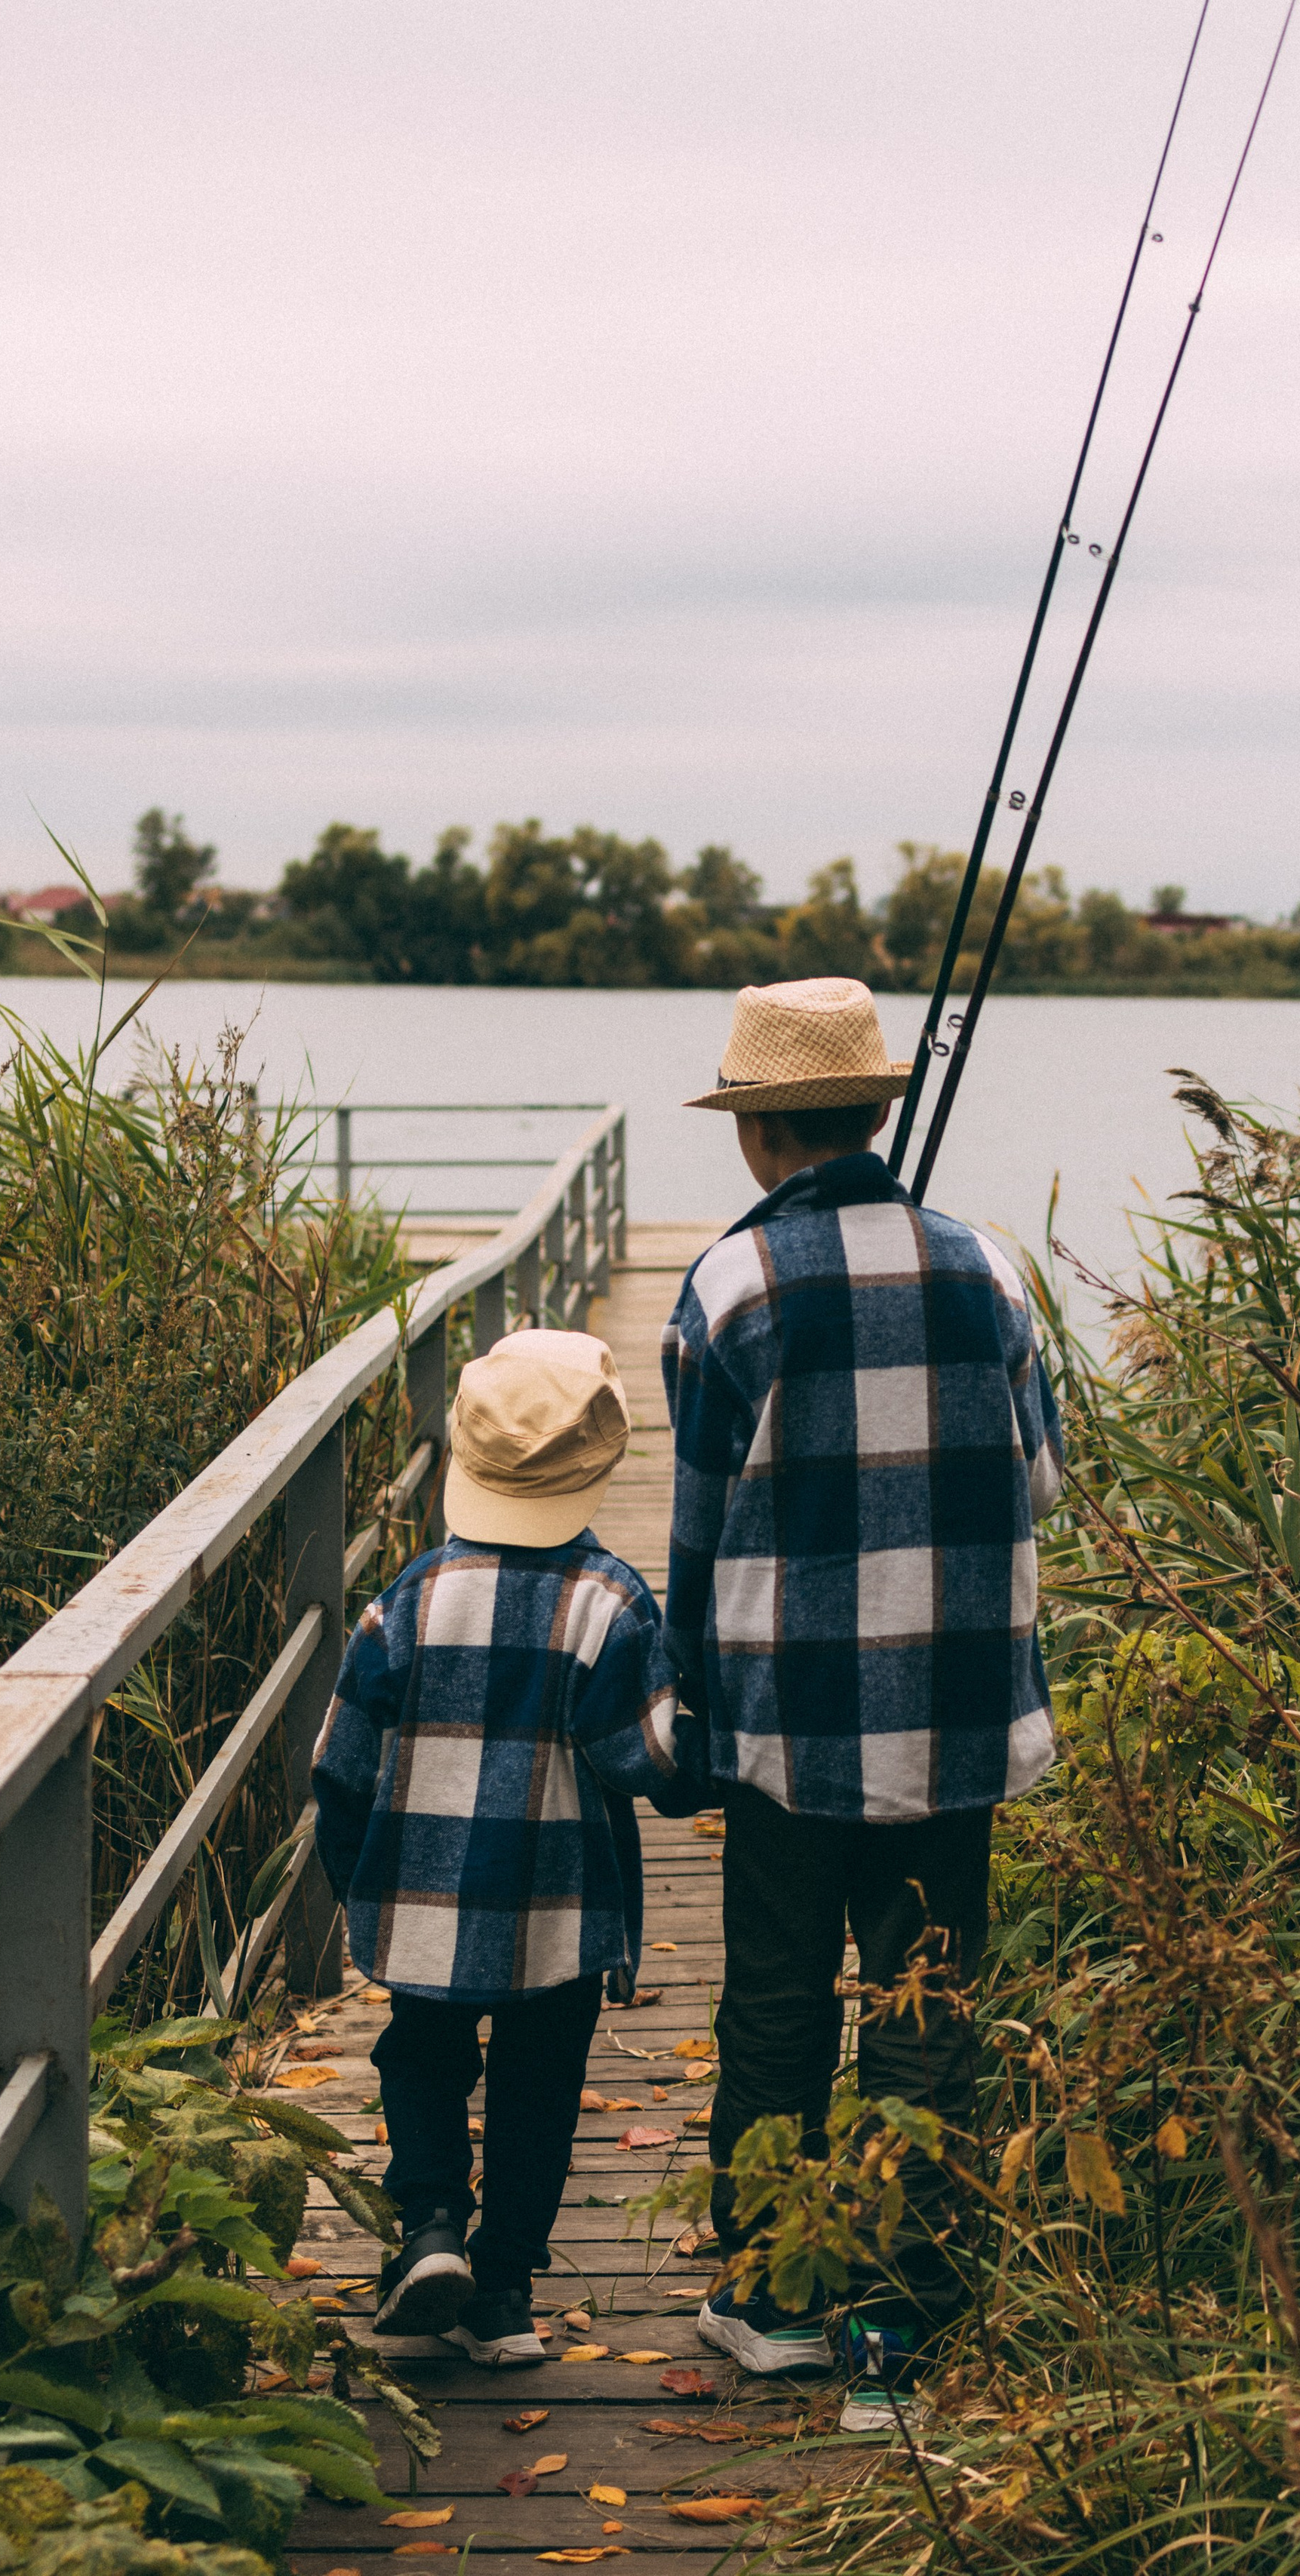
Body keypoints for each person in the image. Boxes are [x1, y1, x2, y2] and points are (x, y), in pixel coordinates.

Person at [664, 975, 1063, 2430]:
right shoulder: (995, 1269)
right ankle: (897, 2325)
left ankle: (771, 2299)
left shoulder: (728, 1286)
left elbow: (698, 1537)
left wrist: (689, 1715)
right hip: (958, 1722)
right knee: (925, 2005)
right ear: (874, 1108)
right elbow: (1040, 1484)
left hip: (789, 1734)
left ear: (760, 1127)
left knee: (776, 1999)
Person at [312, 1326, 694, 2366]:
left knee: (421, 2058)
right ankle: (507, 2292)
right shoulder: (613, 1603)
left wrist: (359, 1886)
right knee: (539, 2088)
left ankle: (430, 2226)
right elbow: (638, 1765)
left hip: (423, 1903)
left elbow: (341, 1764)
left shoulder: (406, 1602)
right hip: (558, 1913)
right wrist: (690, 1724)